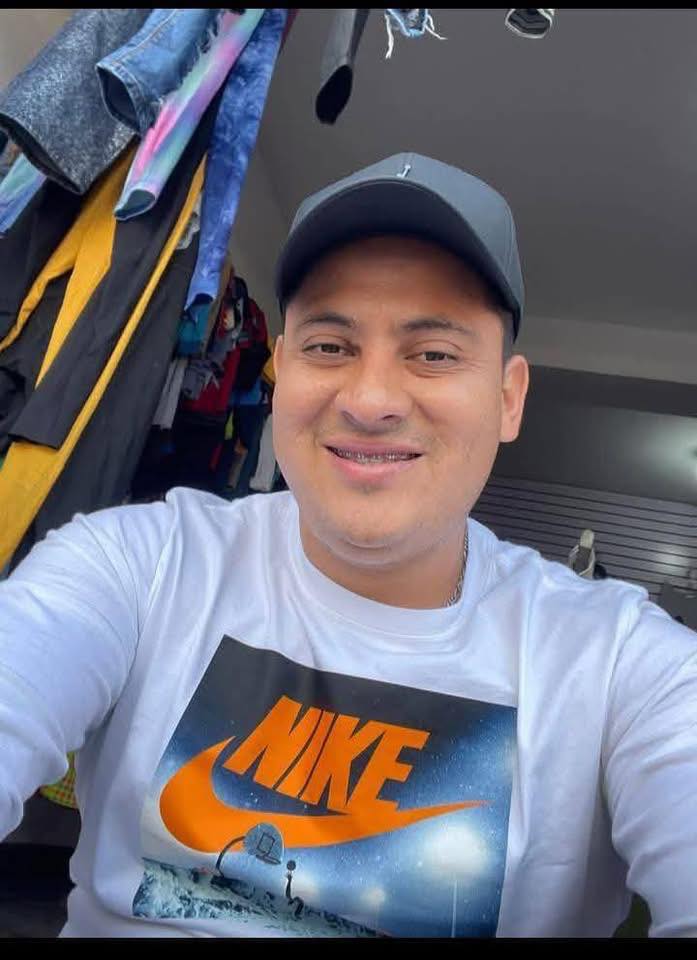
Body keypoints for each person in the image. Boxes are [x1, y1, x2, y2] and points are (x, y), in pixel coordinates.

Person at [0, 153, 695, 939]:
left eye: (433, 354)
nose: (369, 401)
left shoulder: (621, 665)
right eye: (330, 346)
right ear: (280, 370)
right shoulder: (138, 563)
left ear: (507, 399)